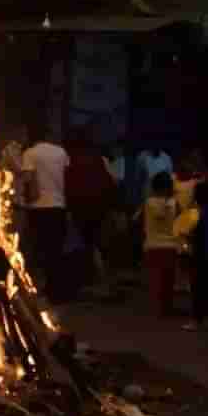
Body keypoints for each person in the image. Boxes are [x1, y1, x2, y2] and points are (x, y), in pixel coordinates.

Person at [65, 128, 119, 298]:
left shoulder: (70, 160)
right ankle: (103, 282)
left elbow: (67, 184)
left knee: (86, 245)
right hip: (100, 209)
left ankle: (91, 281)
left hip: (79, 209)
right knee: (99, 245)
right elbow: (113, 182)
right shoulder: (100, 160)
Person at [20, 123, 71, 298]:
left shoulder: (30, 154)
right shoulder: (61, 152)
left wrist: (27, 201)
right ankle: (60, 289)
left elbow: (29, 181)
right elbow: (67, 178)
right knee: (56, 249)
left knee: (41, 250)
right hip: (59, 206)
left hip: (39, 208)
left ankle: (48, 288)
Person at [142, 171, 180, 316]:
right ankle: (166, 308)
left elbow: (141, 223)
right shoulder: (174, 203)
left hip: (152, 245)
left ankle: (157, 308)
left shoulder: (148, 202)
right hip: (170, 246)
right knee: (168, 281)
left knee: (155, 280)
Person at [186, 177, 208, 331]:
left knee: (198, 288)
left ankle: (196, 320)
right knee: (207, 287)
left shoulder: (200, 213)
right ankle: (206, 317)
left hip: (201, 254)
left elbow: (198, 234)